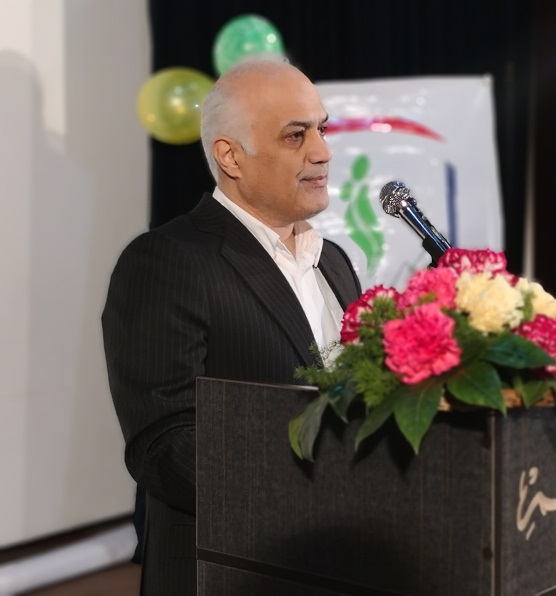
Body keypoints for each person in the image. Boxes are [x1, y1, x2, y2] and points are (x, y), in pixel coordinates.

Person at [102, 58, 361, 595]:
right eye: (296, 135)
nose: (322, 151)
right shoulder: (166, 261)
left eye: (322, 128)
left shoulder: (333, 260)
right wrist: (323, 490)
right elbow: (164, 444)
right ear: (230, 156)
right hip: (232, 574)